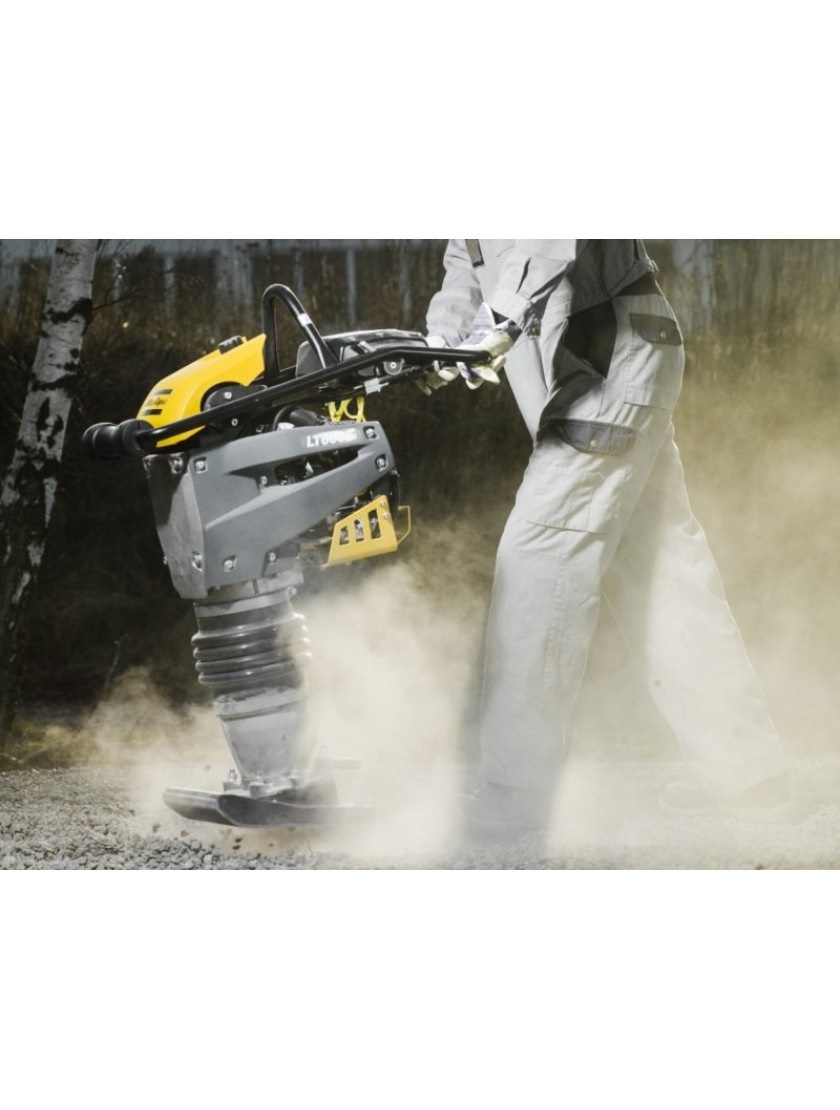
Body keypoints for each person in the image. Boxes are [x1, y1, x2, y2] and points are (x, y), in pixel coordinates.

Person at [422, 239, 791, 837]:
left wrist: (500, 316)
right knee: (661, 574)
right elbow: (468, 254)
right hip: (609, 358)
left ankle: (518, 790)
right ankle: (749, 776)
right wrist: (442, 333)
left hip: (602, 356)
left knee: (539, 555)